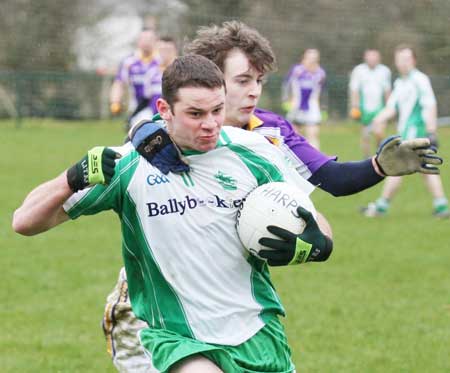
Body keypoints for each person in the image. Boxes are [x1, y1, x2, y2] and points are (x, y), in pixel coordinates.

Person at [104, 22, 443, 372]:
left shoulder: (268, 132)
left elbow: (330, 179)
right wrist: (141, 130)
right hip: (156, 305)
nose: (254, 92)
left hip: (230, 308)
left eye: (259, 81)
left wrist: (377, 167)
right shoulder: (169, 132)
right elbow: (133, 145)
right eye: (243, 80)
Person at [13, 55, 334, 373]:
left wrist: (318, 244)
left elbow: (315, 221)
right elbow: (24, 221)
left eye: (217, 110)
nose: (210, 124)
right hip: (179, 338)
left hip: (259, 330)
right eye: (195, 113)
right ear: (165, 110)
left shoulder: (254, 151)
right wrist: (70, 179)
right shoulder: (128, 166)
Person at [361, 45, 449, 218]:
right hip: (406, 133)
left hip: (416, 133)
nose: (403, 63)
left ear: (414, 60)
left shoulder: (420, 80)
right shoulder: (400, 83)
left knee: (397, 167)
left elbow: (430, 104)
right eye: (400, 59)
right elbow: (391, 108)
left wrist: (431, 131)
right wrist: (378, 119)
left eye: (407, 59)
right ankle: (441, 206)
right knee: (423, 168)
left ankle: (381, 207)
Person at [110, 28, 161, 130]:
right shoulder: (129, 62)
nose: (147, 43)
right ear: (138, 41)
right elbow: (119, 83)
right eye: (144, 39)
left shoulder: (161, 60)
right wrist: (115, 101)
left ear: (156, 41)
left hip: (159, 108)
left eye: (150, 39)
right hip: (137, 108)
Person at [349, 49, 392, 157]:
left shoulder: (384, 71)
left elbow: (387, 91)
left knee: (379, 133)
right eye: (370, 57)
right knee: (366, 135)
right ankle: (366, 158)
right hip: (364, 108)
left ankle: (379, 154)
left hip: (379, 108)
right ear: (365, 58)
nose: (372, 59)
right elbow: (355, 90)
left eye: (374, 57)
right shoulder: (359, 70)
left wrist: (389, 107)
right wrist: (355, 106)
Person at [282, 48, 326, 149]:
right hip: (296, 105)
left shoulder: (320, 73)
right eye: (309, 58)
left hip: (311, 106)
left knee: (313, 135)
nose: (311, 61)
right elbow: (286, 85)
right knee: (293, 135)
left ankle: (315, 161)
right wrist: (286, 100)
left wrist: (323, 107)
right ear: (304, 59)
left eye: (314, 59)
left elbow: (323, 92)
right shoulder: (297, 71)